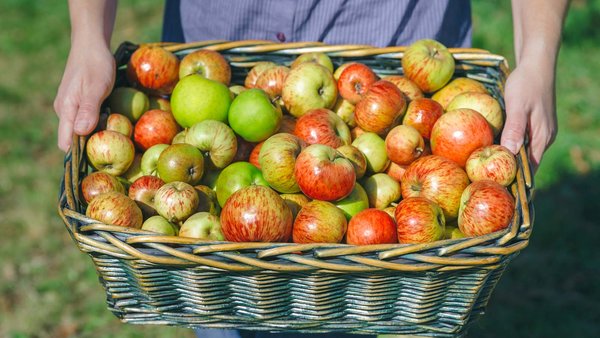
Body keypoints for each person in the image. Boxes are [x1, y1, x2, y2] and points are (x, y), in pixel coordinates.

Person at [53, 1, 569, 337]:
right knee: (223, 311)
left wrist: (540, 56)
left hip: (393, 41)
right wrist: (86, 35)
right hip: (218, 40)